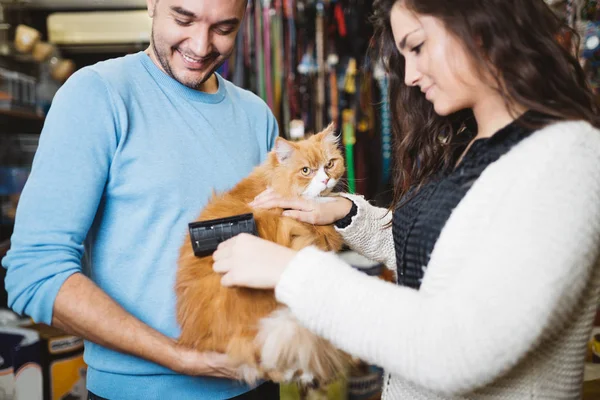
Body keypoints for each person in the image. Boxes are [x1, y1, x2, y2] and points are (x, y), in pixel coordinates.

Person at [211, 0, 600, 398]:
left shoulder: (567, 159)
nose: (410, 76)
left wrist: (291, 271)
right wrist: (343, 212)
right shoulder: (467, 140)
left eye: (417, 47)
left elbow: (458, 349)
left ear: (480, 25)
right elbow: (443, 258)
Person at [2, 0, 280, 399]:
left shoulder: (257, 116)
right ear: (152, 3)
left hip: (258, 384)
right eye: (183, 19)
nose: (201, 46)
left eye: (223, 28)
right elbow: (35, 271)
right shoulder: (97, 95)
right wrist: (180, 359)